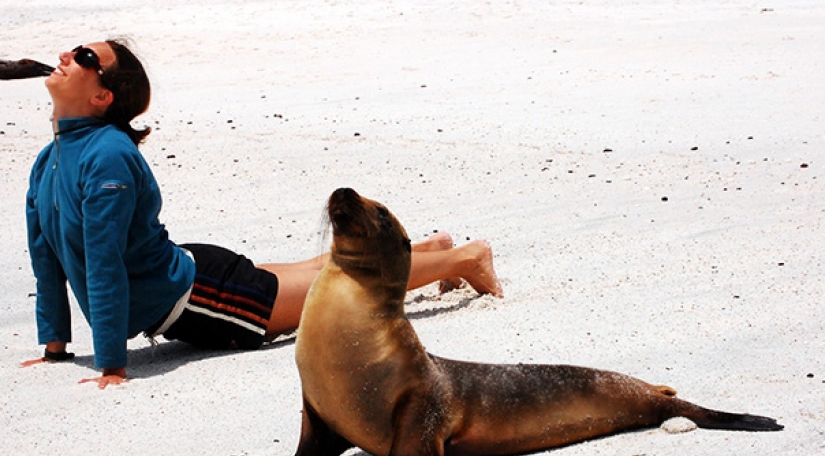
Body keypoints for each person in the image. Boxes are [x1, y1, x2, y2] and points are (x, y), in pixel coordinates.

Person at [22, 40, 503, 389]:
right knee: (322, 273)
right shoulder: (51, 159)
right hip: (191, 273)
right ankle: (426, 249)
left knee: (341, 287)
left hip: (201, 297)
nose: (66, 56)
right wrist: (55, 345)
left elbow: (104, 262)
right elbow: (46, 258)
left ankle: (462, 258)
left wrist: (111, 364)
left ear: (103, 97)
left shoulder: (105, 156)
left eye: (84, 57)